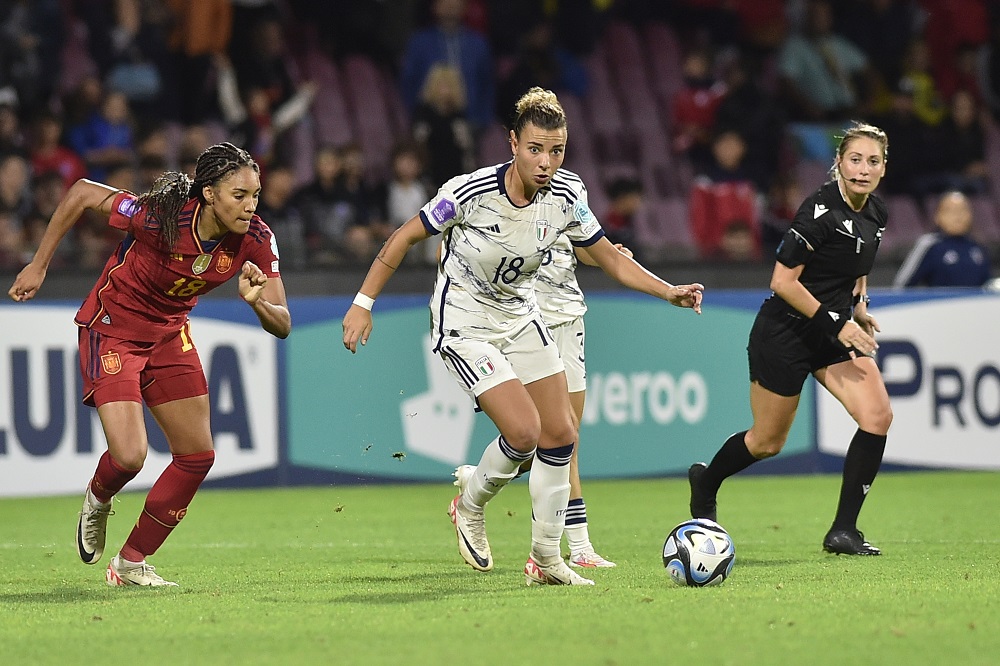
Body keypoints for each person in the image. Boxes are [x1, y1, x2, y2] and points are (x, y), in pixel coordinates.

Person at [343, 87, 704, 585]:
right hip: (465, 323)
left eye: (556, 151)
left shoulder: (567, 197)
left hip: (520, 317)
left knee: (560, 434)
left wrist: (670, 292)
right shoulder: (469, 193)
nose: (546, 161)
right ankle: (469, 505)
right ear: (513, 143)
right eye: (535, 148)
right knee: (525, 432)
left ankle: (546, 561)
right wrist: (364, 303)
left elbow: (611, 258)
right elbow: (405, 236)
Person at [7, 142, 291, 586]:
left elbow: (283, 324)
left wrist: (256, 304)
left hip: (168, 334)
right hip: (114, 327)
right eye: (240, 195)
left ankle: (132, 562)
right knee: (130, 455)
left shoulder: (256, 238)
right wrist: (38, 265)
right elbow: (82, 191)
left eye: (255, 195)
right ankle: (98, 499)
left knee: (197, 456)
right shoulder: (161, 216)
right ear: (210, 193)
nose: (250, 206)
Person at [687, 122, 892, 556]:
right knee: (767, 442)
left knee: (877, 416)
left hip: (832, 326)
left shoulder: (877, 213)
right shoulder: (817, 212)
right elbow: (781, 281)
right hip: (786, 330)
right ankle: (706, 482)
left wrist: (858, 306)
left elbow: (859, 261)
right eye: (855, 159)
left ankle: (844, 531)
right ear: (838, 163)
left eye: (872, 161)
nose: (862, 169)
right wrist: (838, 323)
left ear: (883, 169)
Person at [893, 190, 991, 288]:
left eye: (963, 210)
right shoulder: (929, 245)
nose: (958, 216)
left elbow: (986, 286)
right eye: (950, 211)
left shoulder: (978, 246)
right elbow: (902, 286)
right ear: (938, 216)